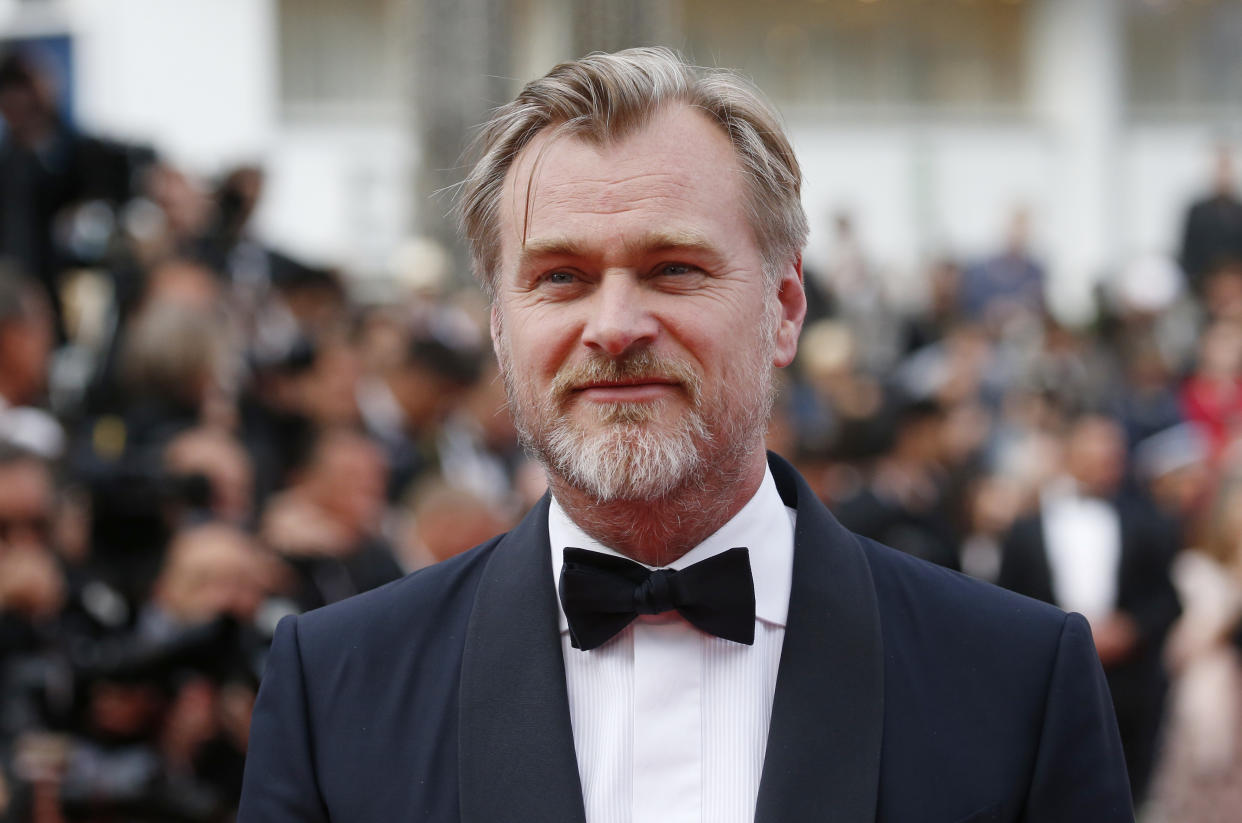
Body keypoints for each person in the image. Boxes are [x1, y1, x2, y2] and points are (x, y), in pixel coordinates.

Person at [238, 48, 1132, 823]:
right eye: (560, 276)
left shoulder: (1018, 679)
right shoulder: (338, 686)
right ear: (500, 328)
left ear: (783, 310)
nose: (616, 325)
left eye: (673, 268)